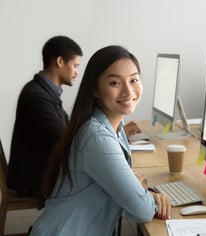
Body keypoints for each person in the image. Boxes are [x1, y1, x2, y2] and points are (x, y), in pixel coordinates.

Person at [29, 45, 171, 235]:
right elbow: (142, 211)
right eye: (115, 83)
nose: (128, 92)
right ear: (95, 90)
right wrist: (143, 193)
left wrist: (137, 189)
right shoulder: (97, 137)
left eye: (134, 80)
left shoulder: (113, 127)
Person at [7, 35, 83, 198]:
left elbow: (68, 129)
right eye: (75, 65)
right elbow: (65, 139)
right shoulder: (36, 95)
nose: (77, 72)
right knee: (96, 182)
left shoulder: (45, 92)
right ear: (60, 62)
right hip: (32, 180)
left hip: (40, 173)